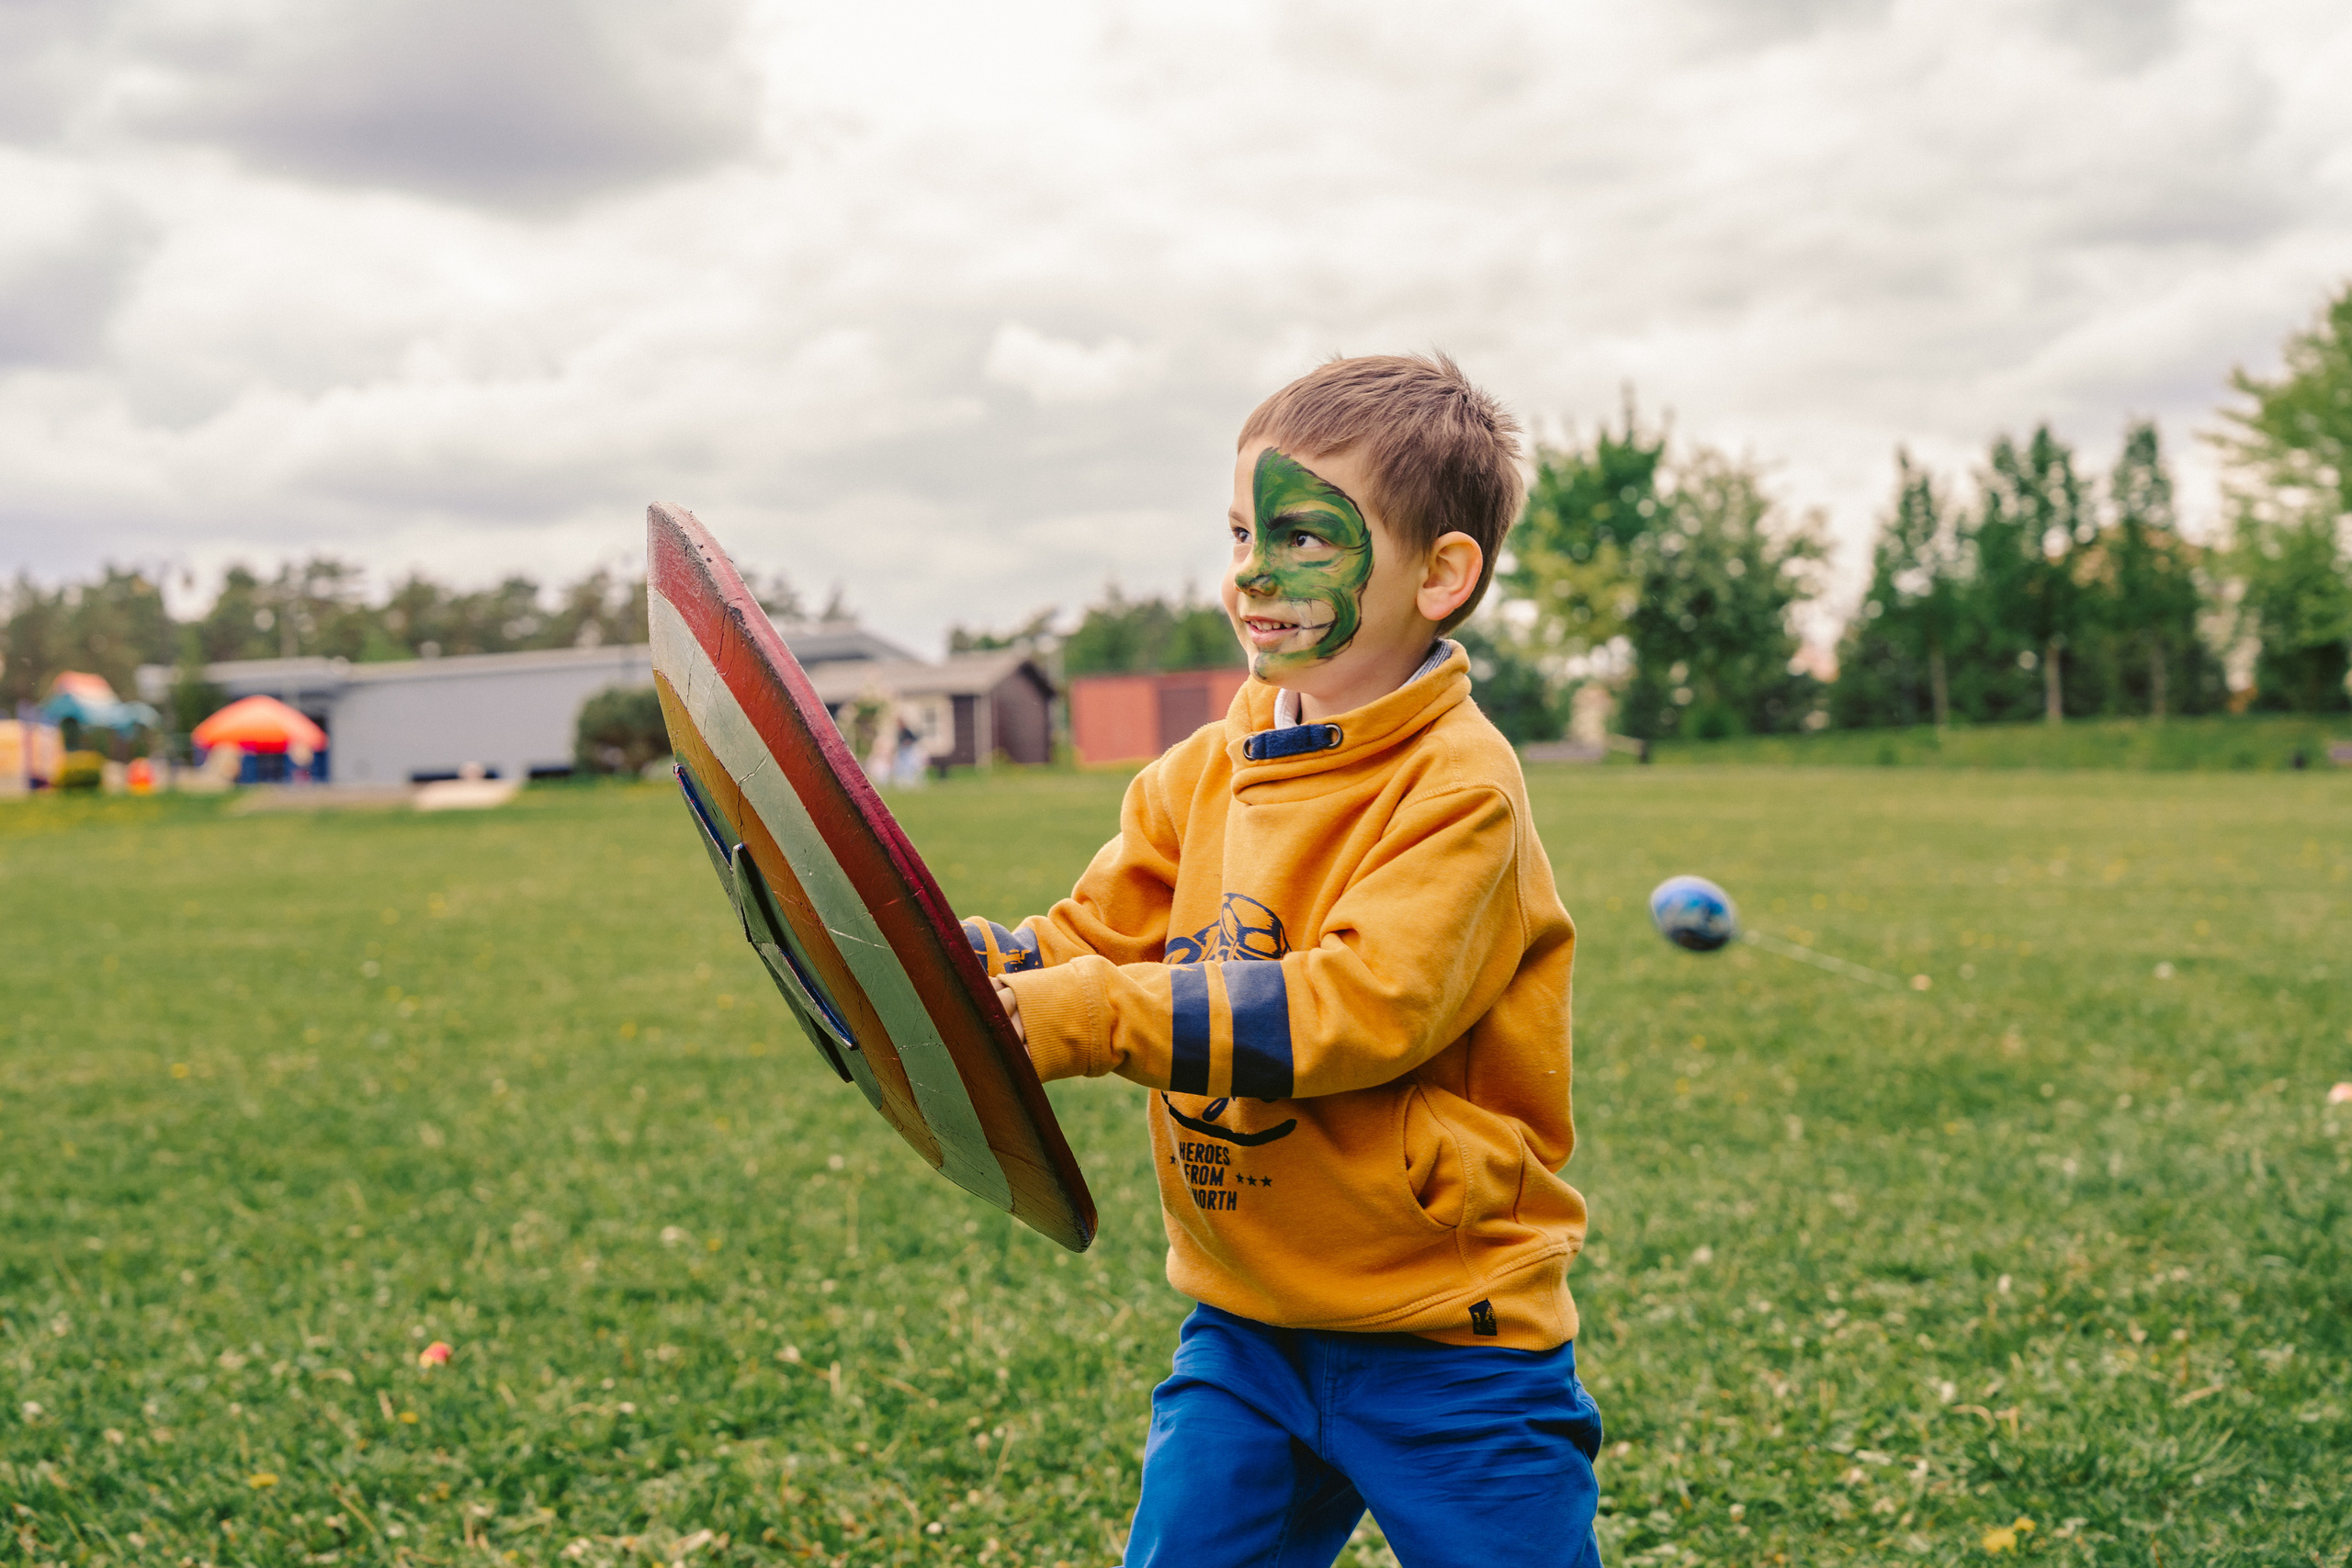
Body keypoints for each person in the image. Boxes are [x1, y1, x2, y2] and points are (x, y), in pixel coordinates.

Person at [960, 355, 1600, 1567]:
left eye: (1303, 538)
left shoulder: (1457, 785)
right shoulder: (1204, 769)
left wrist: (1083, 1016)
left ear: (1441, 574)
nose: (1251, 572)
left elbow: (1359, 1009)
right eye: (1243, 530)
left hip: (1446, 1340)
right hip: (1246, 1326)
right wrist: (958, 968)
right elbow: (1092, 939)